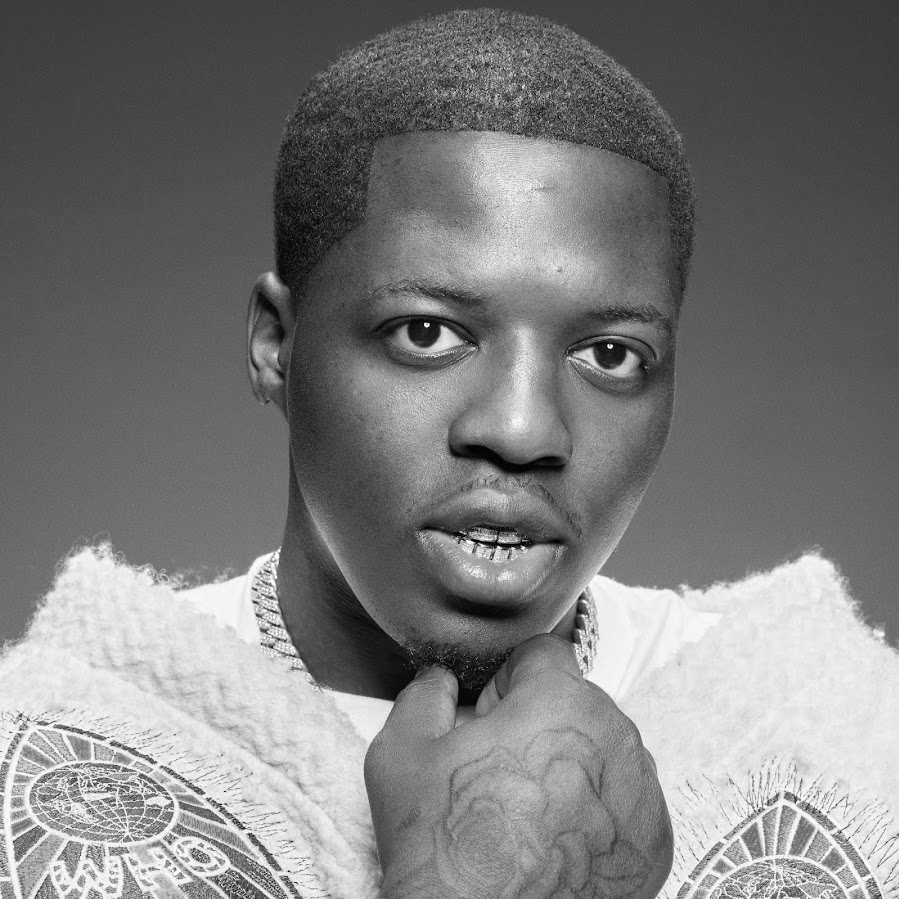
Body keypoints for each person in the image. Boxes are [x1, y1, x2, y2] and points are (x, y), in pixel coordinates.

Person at [1, 9, 896, 899]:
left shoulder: (842, 749)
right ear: (277, 343)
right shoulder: (45, 754)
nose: (522, 430)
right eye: (427, 333)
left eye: (609, 354)